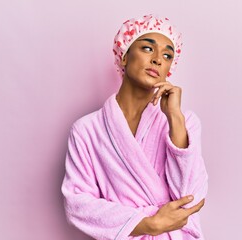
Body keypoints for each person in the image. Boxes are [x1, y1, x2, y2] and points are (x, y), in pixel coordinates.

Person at [61, 14, 208, 239]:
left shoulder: (185, 122)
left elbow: (191, 198)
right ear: (124, 56)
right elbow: (77, 203)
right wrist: (148, 224)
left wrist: (174, 119)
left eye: (167, 55)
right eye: (148, 49)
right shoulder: (87, 130)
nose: (158, 59)